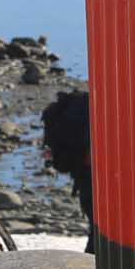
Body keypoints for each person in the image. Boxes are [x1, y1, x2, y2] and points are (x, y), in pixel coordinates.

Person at [41, 90, 93, 252]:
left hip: (85, 172)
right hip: (91, 174)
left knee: (98, 230)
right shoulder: (87, 110)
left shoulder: (79, 109)